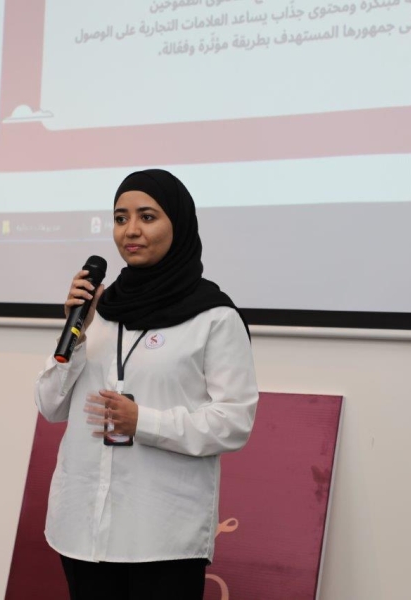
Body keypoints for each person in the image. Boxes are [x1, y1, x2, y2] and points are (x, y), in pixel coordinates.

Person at [34, 169, 259, 600]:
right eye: (120, 218)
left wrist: (144, 422)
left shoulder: (214, 317)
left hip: (160, 536)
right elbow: (50, 406)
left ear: (179, 224)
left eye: (147, 217)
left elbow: (234, 422)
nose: (131, 230)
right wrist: (77, 329)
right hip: (83, 529)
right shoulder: (98, 311)